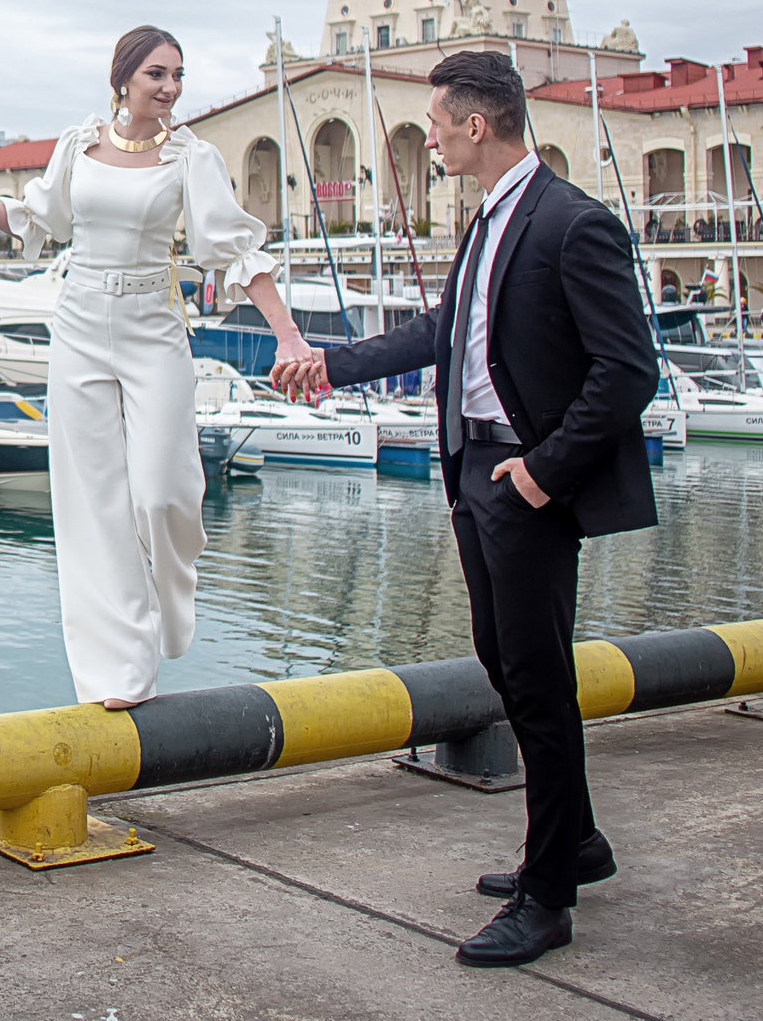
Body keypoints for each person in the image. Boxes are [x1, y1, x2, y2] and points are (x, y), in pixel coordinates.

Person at [276, 50, 657, 970]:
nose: (433, 137)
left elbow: (629, 370)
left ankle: (549, 895)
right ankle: (577, 841)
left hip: (525, 478)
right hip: (476, 469)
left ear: (477, 125)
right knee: (505, 659)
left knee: (534, 675)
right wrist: (329, 364)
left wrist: (542, 472)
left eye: (441, 123)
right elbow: (442, 335)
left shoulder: (572, 222)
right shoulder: (489, 218)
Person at [0, 26, 320, 709]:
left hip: (153, 328)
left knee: (161, 491)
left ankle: (173, 596)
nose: (171, 87)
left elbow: (236, 252)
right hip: (80, 325)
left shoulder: (191, 157)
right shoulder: (76, 145)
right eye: (157, 73)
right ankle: (115, 674)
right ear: (123, 79)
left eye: (178, 74)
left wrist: (290, 338)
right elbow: (36, 221)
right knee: (90, 503)